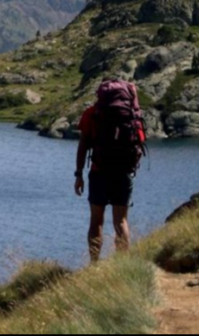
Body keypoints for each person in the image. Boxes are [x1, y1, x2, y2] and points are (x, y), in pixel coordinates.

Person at [73, 79, 146, 263]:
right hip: (124, 172)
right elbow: (140, 140)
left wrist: (79, 174)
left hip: (99, 172)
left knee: (96, 220)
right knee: (121, 221)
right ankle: (123, 265)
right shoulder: (132, 115)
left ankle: (94, 265)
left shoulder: (92, 113)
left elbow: (83, 145)